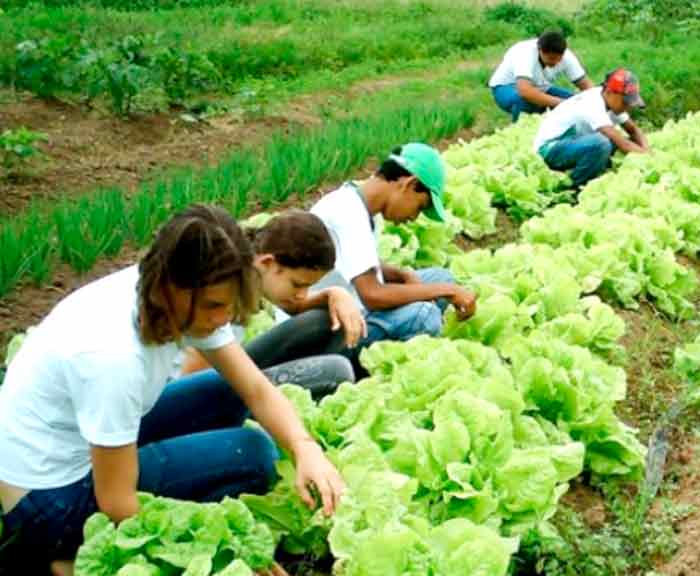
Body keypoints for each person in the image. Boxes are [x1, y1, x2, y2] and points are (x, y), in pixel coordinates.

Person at [0, 205, 346, 576]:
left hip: (77, 440)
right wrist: (214, 545)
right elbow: (116, 501)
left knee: (225, 390)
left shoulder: (173, 293)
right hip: (48, 499)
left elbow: (255, 388)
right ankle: (64, 561)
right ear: (173, 288)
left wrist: (305, 448)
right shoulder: (112, 356)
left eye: (228, 306)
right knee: (253, 455)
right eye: (216, 306)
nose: (222, 318)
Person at [286, 143, 476, 377]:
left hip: (350, 306)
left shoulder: (358, 201)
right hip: (326, 331)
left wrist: (401, 274)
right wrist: (445, 291)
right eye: (420, 207)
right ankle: (374, 370)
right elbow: (373, 295)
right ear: (410, 184)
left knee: (439, 276)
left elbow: (351, 263)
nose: (414, 217)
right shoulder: (348, 213)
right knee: (424, 315)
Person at [177, 211, 362, 400]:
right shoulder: (222, 292)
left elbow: (297, 307)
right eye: (297, 285)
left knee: (328, 320)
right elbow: (192, 379)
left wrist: (335, 294)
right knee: (336, 371)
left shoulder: (251, 272)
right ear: (267, 262)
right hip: (195, 390)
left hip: (224, 372)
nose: (302, 295)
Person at [533, 68, 649, 188]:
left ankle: (594, 171)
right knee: (602, 143)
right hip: (549, 149)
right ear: (609, 92)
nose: (628, 107)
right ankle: (575, 187)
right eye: (625, 102)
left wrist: (647, 150)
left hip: (573, 143)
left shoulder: (611, 102)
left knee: (615, 141)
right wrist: (650, 159)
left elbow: (633, 130)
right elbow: (624, 145)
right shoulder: (593, 104)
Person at [489, 31, 593, 122]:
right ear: (540, 50)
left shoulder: (567, 56)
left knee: (577, 102)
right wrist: (561, 103)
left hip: (539, 87)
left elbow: (586, 85)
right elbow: (525, 91)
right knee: (524, 101)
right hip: (505, 87)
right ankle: (520, 129)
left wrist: (596, 101)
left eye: (559, 59)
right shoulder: (525, 53)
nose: (556, 62)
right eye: (551, 59)